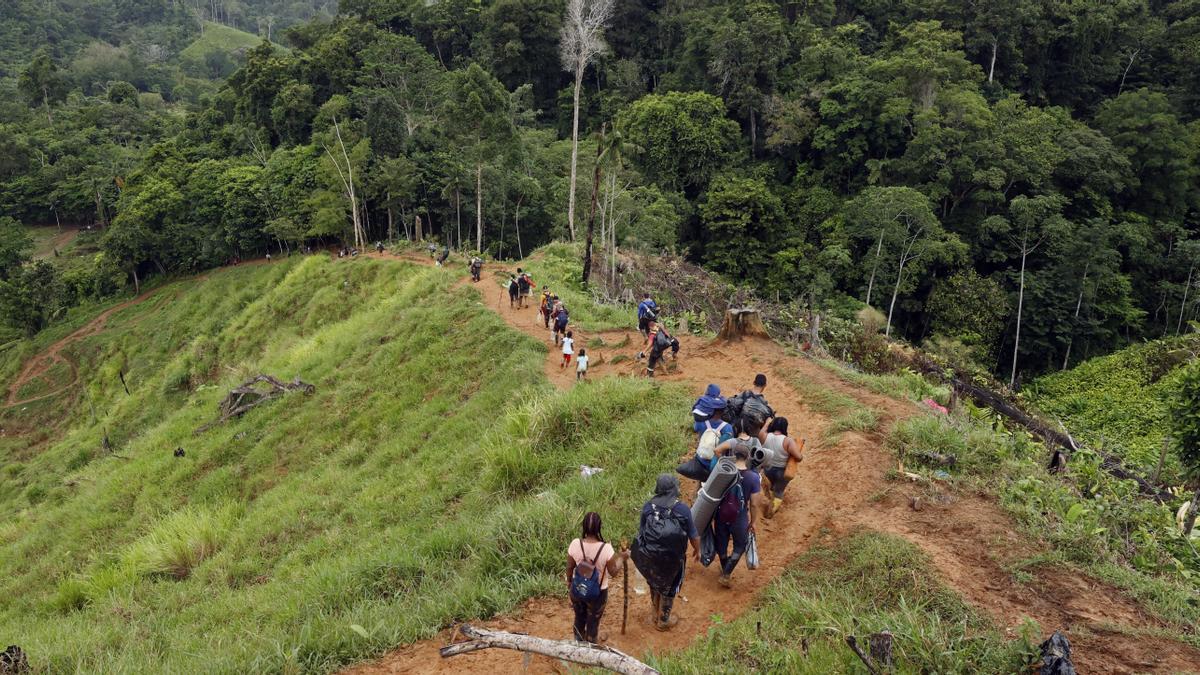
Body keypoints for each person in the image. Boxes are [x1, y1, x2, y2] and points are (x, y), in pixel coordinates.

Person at [632, 475, 701, 631]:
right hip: (674, 559)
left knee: (653, 580)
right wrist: (697, 550)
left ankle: (655, 611)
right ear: (673, 489)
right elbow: (693, 535)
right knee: (670, 586)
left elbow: (641, 533)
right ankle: (664, 619)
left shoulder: (648, 507)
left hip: (650, 556)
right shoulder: (682, 509)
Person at [566, 512, 628, 644]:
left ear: (583, 527)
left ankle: (578, 643)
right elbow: (613, 572)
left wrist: (569, 585)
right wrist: (622, 558)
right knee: (593, 620)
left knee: (579, 617)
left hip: (577, 590)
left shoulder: (575, 544)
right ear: (599, 527)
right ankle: (591, 646)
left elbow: (569, 567)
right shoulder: (606, 549)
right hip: (598, 593)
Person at [710, 444, 763, 587]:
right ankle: (726, 573)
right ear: (747, 457)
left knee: (721, 543)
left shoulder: (724, 472)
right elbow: (753, 503)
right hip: (739, 516)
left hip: (721, 513)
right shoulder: (753, 477)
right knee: (740, 545)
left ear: (733, 455)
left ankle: (725, 568)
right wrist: (753, 522)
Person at [762, 417, 805, 518]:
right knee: (779, 491)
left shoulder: (763, 436)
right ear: (785, 427)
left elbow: (763, 429)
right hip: (782, 472)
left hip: (768, 469)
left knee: (772, 484)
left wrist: (767, 422)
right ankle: (770, 513)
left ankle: (772, 491)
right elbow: (798, 458)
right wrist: (801, 455)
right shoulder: (788, 441)